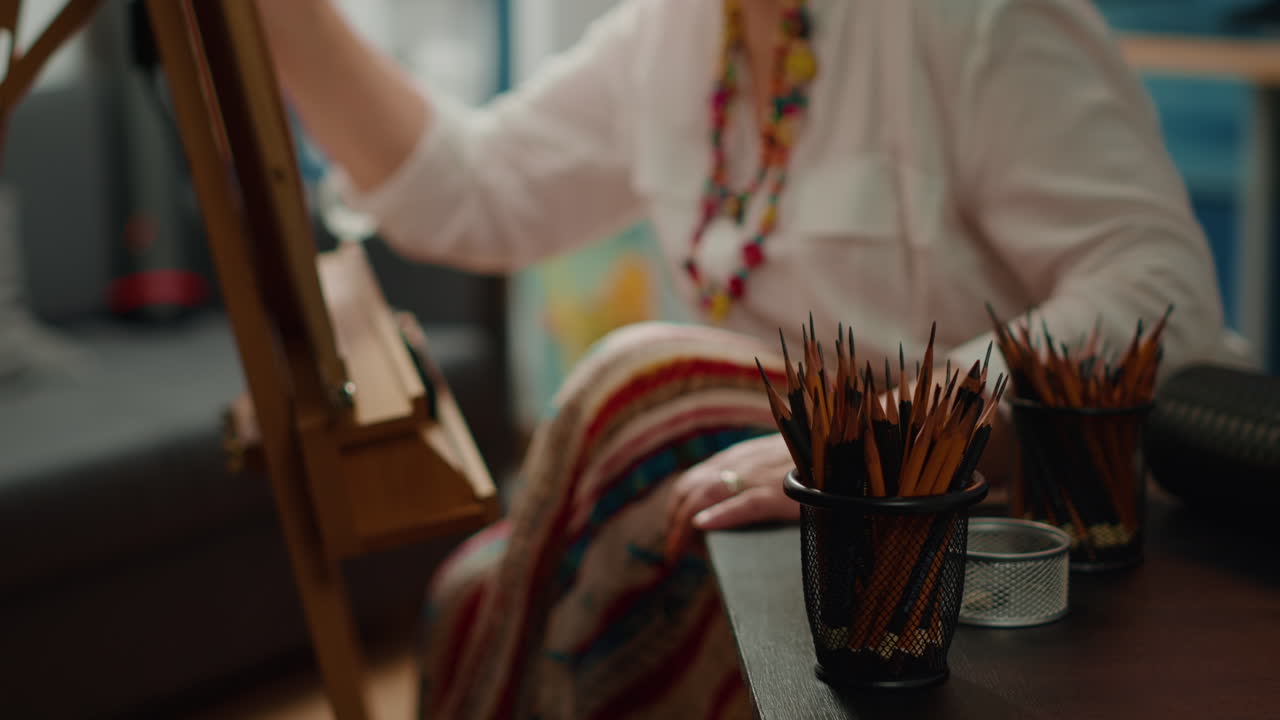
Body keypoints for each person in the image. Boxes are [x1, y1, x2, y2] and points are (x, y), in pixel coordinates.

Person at [258, 0, 1227, 716]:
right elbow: (468, 194)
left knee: (639, 392)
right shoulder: (674, 34)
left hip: (977, 541)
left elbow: (1160, 287)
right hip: (769, 511)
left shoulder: (976, 22)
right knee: (470, 593)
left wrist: (874, 440)